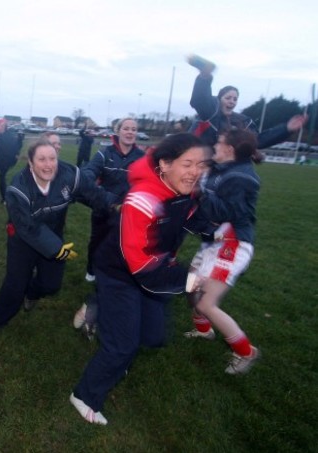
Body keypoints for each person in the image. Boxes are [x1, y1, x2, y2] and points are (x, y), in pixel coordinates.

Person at [70, 133, 210, 425]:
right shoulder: (142, 199)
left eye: (201, 164)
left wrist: (219, 228)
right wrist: (187, 280)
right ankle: (84, 395)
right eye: (188, 164)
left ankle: (99, 315)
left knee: (153, 336)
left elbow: (192, 217)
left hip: (155, 270)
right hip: (121, 274)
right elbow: (142, 266)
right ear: (165, 164)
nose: (195, 171)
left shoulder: (186, 191)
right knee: (122, 345)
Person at [0, 138, 109, 336]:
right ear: (31, 162)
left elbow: (94, 194)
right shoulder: (18, 188)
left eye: (52, 158)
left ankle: (33, 293)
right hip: (23, 241)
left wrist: (116, 206)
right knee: (15, 285)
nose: (48, 164)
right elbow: (27, 226)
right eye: (42, 159)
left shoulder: (68, 174)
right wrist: (55, 248)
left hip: (54, 236)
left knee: (51, 285)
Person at [184, 129, 262, 374]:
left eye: (219, 142)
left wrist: (197, 191)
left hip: (233, 245)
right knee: (191, 286)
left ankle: (247, 353)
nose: (215, 145)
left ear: (230, 148)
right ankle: (204, 331)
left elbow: (223, 212)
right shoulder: (224, 169)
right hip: (216, 242)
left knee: (206, 302)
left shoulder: (241, 177)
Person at [73, 118, 145, 336]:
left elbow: (149, 183)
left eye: (134, 129)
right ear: (118, 131)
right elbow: (86, 175)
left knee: (117, 256)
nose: (130, 132)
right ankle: (91, 270)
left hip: (128, 216)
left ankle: (100, 299)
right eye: (126, 128)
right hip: (104, 210)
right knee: (97, 244)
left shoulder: (142, 157)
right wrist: (110, 199)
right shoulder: (105, 152)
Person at [187, 54, 307, 149]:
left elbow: (258, 141)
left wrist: (286, 129)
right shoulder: (210, 113)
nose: (232, 102)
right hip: (198, 162)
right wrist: (205, 76)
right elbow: (200, 100)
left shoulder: (244, 122)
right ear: (219, 100)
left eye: (235, 99)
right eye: (228, 98)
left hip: (222, 167)